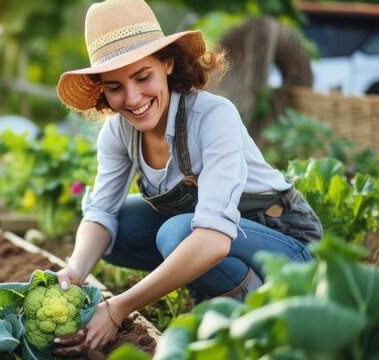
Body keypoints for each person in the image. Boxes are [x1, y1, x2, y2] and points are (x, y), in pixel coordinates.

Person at [51, 0, 323, 354]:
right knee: (117, 228)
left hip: (286, 247)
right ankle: (221, 289)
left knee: (178, 232)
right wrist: (75, 271)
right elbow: (101, 213)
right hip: (213, 236)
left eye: (142, 77)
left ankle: (258, 308)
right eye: (115, 86)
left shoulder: (213, 116)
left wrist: (118, 307)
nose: (133, 99)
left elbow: (212, 239)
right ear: (103, 89)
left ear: (167, 62)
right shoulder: (119, 132)